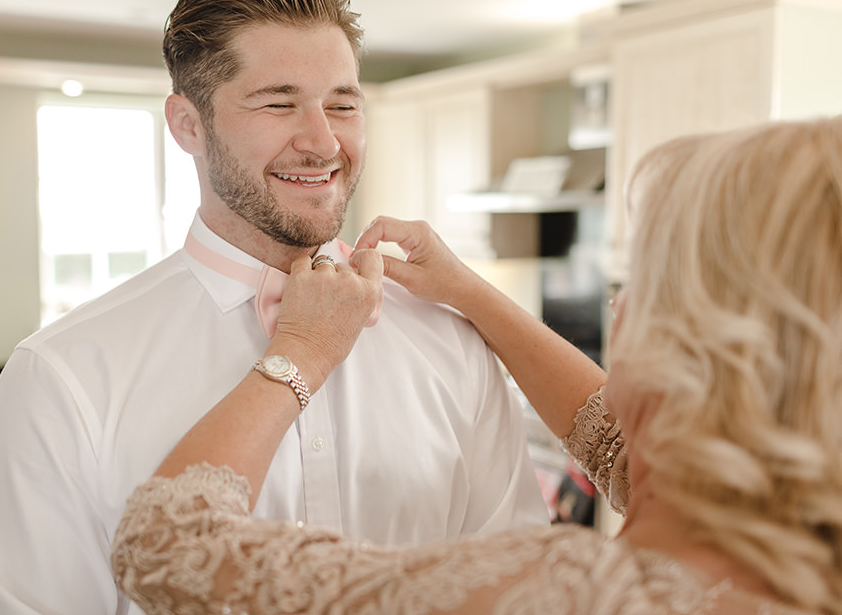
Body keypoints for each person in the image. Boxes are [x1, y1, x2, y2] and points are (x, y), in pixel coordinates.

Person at [0, 0, 549, 612]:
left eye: (343, 105)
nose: (324, 142)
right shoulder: (62, 378)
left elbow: (515, 586)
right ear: (187, 126)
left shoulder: (452, 341)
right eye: (277, 102)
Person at [111, 116, 842, 614]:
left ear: (705, 353)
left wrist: (299, 351)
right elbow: (617, 443)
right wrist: (465, 291)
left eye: (641, 287)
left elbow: (166, 542)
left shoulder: (567, 592)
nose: (616, 312)